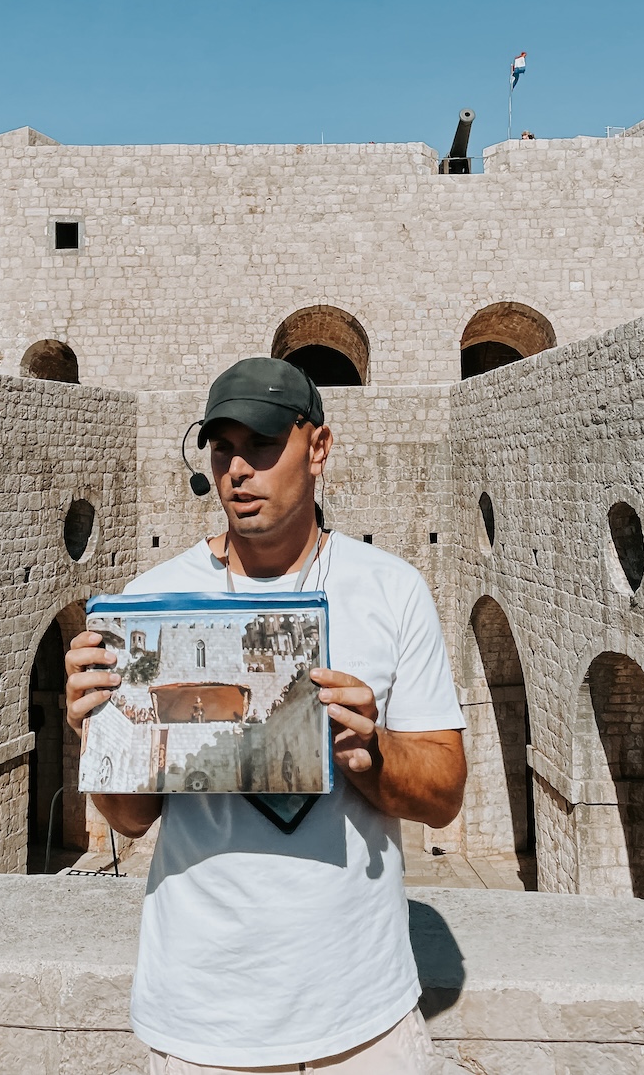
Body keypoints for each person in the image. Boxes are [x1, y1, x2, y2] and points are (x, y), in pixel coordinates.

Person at [65, 357, 467, 1074]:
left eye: (262, 445)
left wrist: (374, 754)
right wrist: (100, 731)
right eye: (223, 449)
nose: (238, 470)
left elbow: (444, 792)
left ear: (318, 447)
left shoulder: (392, 590)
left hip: (362, 1020)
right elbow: (129, 817)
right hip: (203, 1021)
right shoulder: (153, 601)